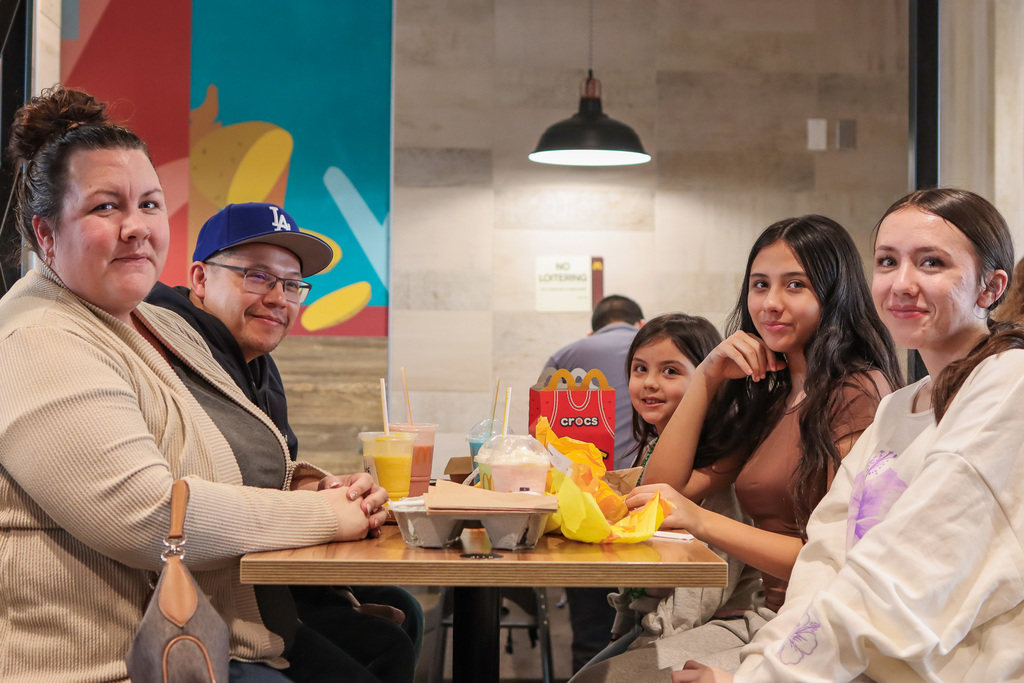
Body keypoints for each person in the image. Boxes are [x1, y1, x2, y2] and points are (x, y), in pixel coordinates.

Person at [0, 86, 394, 682]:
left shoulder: (143, 322)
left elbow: (228, 454)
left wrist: (320, 488)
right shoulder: (39, 338)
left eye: (151, 204)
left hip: (189, 642)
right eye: (106, 207)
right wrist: (324, 516)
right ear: (47, 235)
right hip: (110, 664)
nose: (136, 227)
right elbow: (151, 519)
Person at [675, 188, 1024, 682]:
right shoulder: (898, 408)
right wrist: (755, 669)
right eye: (887, 261)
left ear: (990, 288)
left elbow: (903, 567)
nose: (902, 283)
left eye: (931, 263)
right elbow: (825, 556)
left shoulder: (1009, 381)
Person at [574, 215, 904, 682]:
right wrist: (706, 375)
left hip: (818, 628)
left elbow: (836, 556)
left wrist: (702, 519)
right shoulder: (772, 395)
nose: (771, 303)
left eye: (795, 285)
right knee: (598, 676)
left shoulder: (855, 392)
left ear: (834, 294)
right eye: (759, 285)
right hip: (765, 620)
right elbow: (665, 490)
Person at [146, 201, 420, 683]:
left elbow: (270, 470)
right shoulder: (166, 354)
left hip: (259, 578)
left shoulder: (255, 361)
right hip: (195, 602)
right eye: (256, 276)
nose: (279, 298)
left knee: (401, 613)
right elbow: (201, 485)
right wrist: (322, 508)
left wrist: (325, 487)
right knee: (386, 645)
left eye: (292, 284)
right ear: (201, 279)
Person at [542, 294, 644, 671]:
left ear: (592, 330)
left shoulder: (566, 354)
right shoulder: (653, 346)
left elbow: (542, 433)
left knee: (590, 631)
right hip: (646, 506)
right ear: (641, 326)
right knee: (641, 630)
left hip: (582, 507)